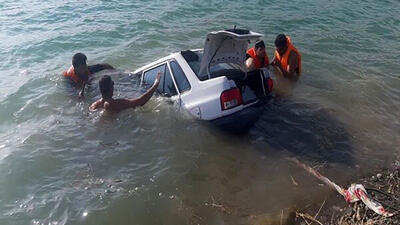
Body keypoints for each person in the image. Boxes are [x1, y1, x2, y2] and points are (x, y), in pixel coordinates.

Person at [89, 73, 161, 113]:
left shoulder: (95, 105)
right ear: (110, 88)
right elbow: (140, 102)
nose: (114, 86)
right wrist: (156, 84)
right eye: (112, 84)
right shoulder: (115, 103)